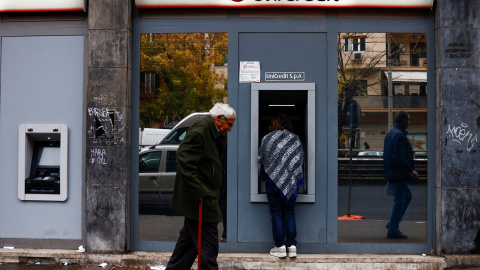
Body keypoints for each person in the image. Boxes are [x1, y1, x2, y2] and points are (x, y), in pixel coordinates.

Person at [166, 103, 236, 270]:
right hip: (202, 199)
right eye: (230, 124)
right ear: (219, 119)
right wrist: (200, 191)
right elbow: (183, 158)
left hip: (204, 196)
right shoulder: (201, 131)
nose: (231, 129)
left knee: (187, 247)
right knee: (208, 249)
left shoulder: (214, 132)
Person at [258, 113, 304, 258]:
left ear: (274, 124)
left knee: (276, 213)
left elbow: (261, 159)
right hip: (291, 183)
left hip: (272, 183)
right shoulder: (295, 139)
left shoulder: (267, 139)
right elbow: (300, 160)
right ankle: (292, 246)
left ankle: (280, 246)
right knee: (289, 213)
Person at [383, 111, 420, 239]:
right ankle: (393, 229)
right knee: (399, 200)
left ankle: (392, 223)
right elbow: (399, 157)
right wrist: (411, 171)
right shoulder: (399, 136)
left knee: (407, 196)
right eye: (408, 120)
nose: (409, 122)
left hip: (393, 172)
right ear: (402, 120)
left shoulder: (391, 134)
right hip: (399, 174)